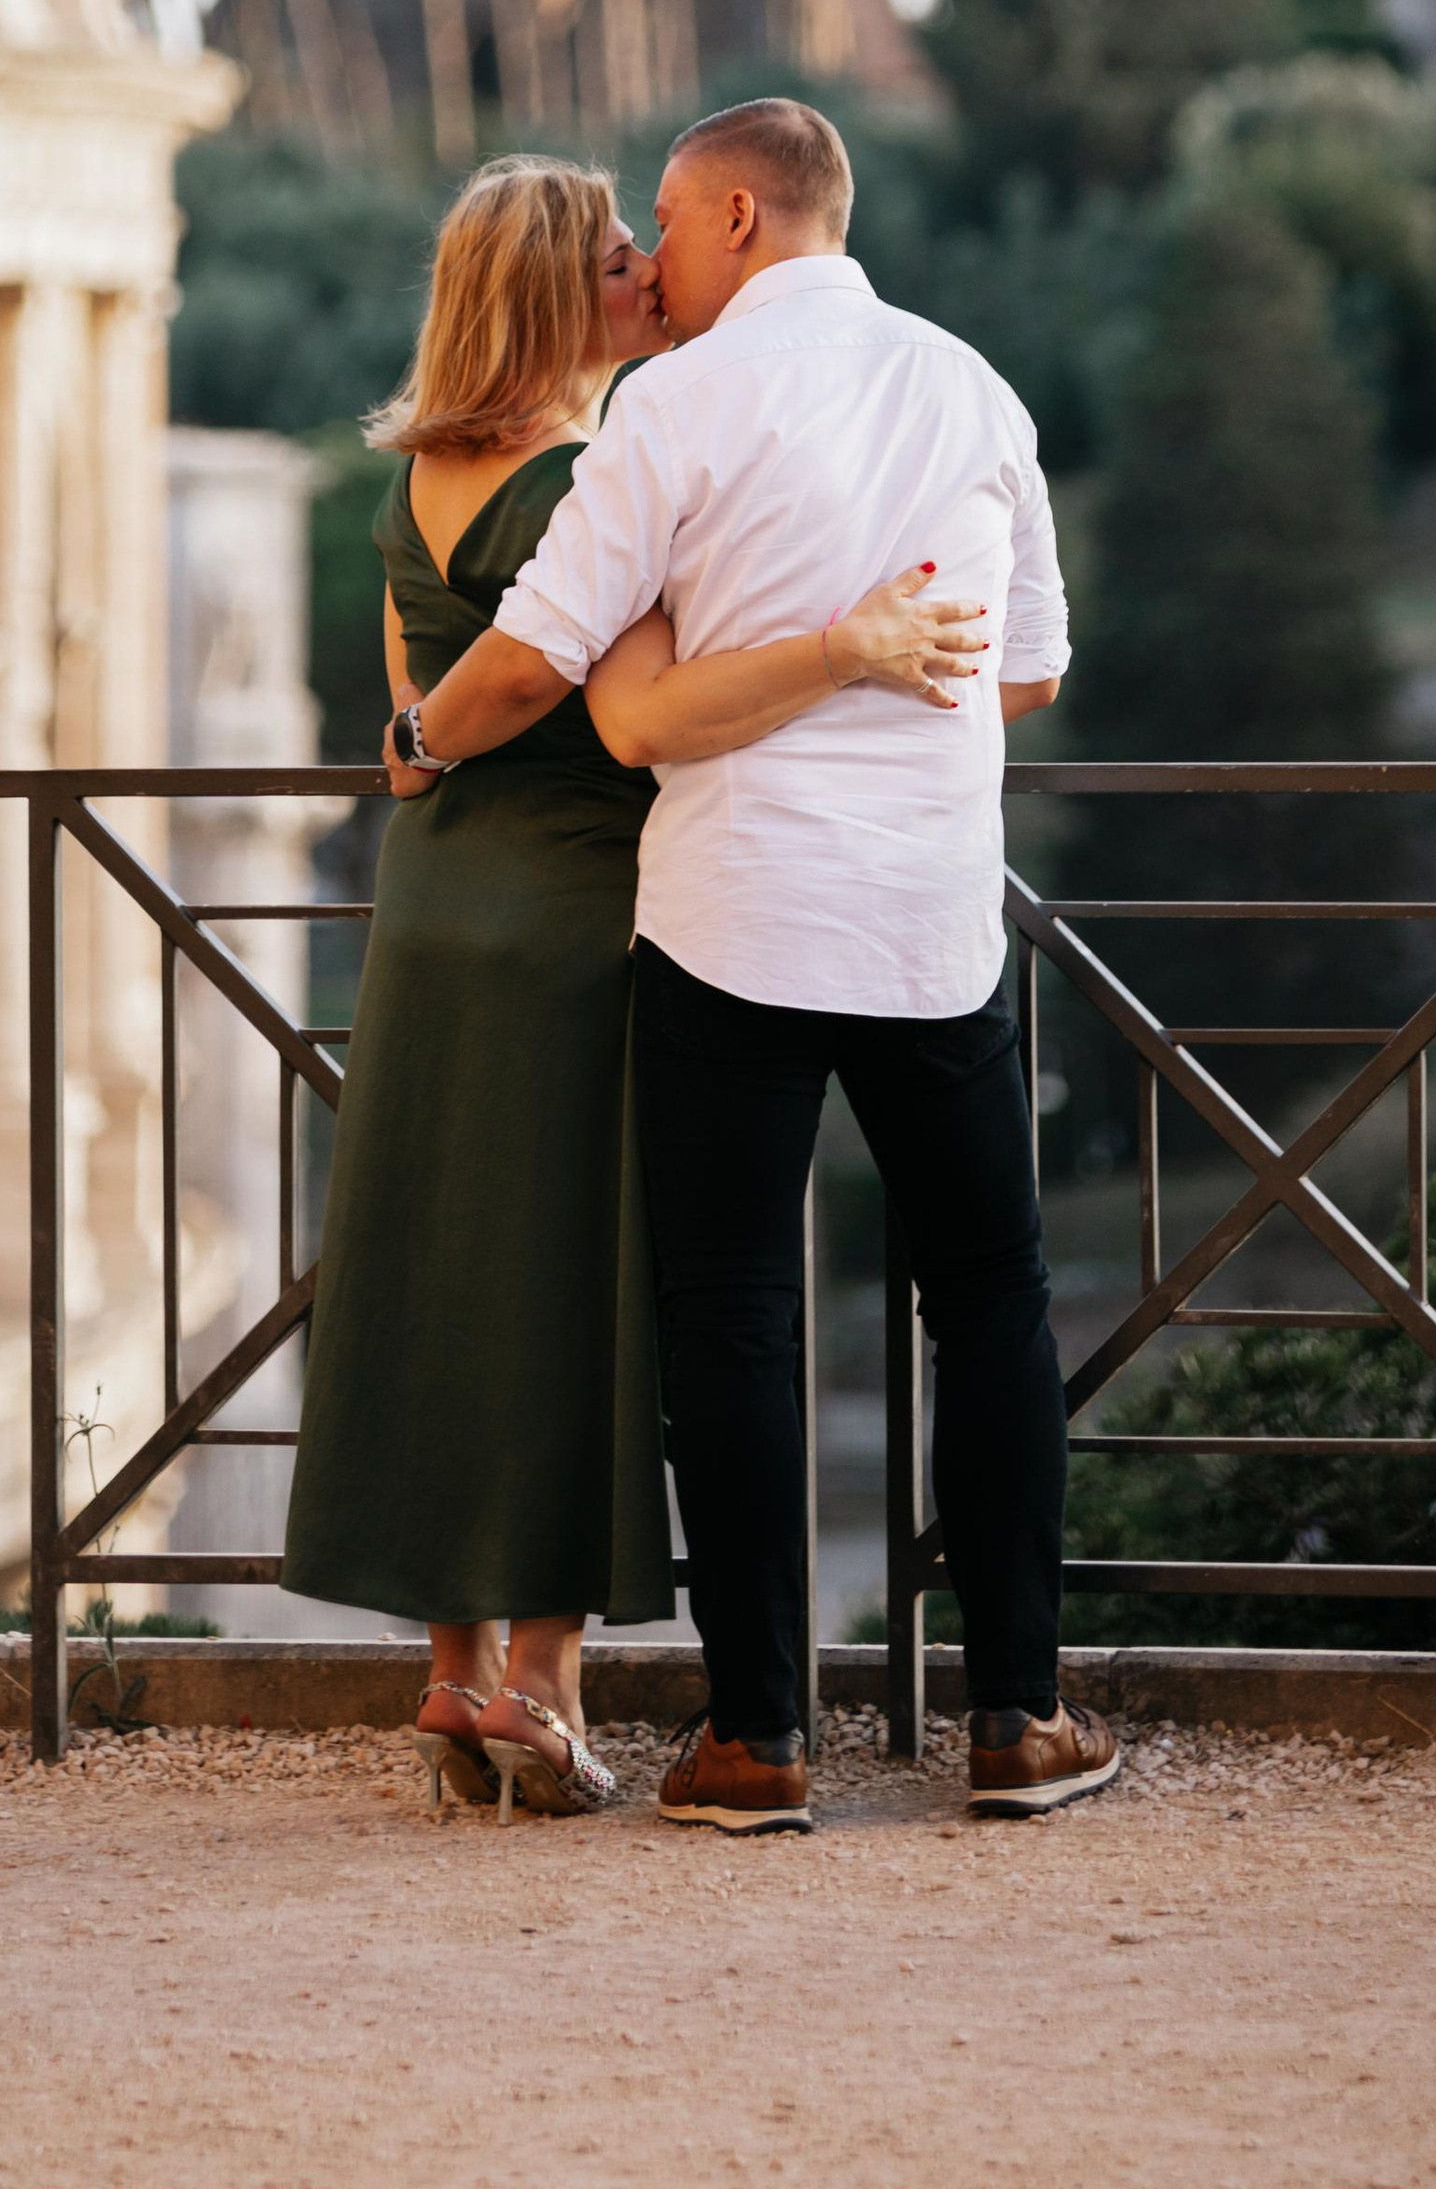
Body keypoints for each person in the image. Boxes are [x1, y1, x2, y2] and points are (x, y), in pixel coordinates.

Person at [400, 96, 1117, 1832]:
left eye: (664, 215)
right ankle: (1017, 1717)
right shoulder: (971, 386)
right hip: (933, 919)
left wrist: (421, 738)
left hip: (732, 916)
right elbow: (1030, 672)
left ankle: (758, 1740)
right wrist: (883, 656)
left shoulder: (675, 408)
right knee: (995, 1301)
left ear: (735, 215)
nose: (648, 256)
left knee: (732, 1318)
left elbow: (539, 655)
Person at [279, 152, 986, 1818]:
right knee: (578, 1292)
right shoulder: (600, 471)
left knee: (446, 1272)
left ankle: (451, 1675)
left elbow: (416, 730)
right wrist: (848, 648)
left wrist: (412, 741)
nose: (649, 271)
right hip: (585, 914)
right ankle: (541, 1685)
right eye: (614, 259)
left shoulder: (413, 482)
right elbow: (620, 708)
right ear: (554, 297)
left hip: (436, 906)